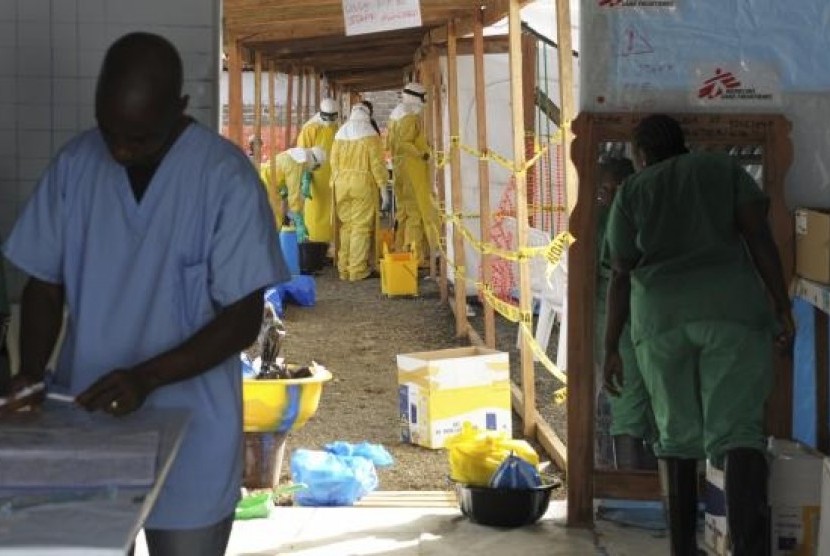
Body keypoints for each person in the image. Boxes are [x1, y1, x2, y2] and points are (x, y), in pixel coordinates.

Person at [2, 32, 289, 556]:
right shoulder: (76, 166)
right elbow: (43, 283)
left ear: (179, 108)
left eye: (138, 139)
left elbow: (243, 319)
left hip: (193, 433)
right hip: (85, 419)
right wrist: (30, 374)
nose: (119, 149)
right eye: (109, 131)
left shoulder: (224, 179)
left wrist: (145, 378)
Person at [603, 114, 794, 556]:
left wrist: (611, 345)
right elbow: (758, 237)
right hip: (731, 313)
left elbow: (619, 273)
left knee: (675, 434)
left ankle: (681, 549)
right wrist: (781, 305)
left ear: (642, 154)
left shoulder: (633, 190)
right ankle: (748, 548)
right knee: (740, 432)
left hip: (661, 322)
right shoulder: (720, 170)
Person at [595, 156, 657, 471]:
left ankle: (630, 487)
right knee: (644, 400)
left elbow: (603, 276)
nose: (605, 197)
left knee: (629, 400)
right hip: (646, 318)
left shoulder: (602, 218)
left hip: (618, 322)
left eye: (606, 190)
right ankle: (640, 486)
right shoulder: (653, 212)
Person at [330, 104, 388, 281]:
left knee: (346, 226)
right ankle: (357, 269)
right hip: (362, 183)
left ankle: (343, 268)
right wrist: (384, 189)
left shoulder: (340, 133)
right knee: (360, 227)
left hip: (340, 184)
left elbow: (333, 162)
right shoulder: (370, 133)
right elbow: (377, 165)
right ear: (368, 115)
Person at [386, 82, 438, 263]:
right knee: (415, 212)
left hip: (399, 168)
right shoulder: (409, 117)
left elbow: (393, 144)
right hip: (411, 169)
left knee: (404, 212)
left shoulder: (395, 115)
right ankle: (415, 256)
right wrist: (422, 154)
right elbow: (406, 143)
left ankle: (400, 249)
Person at [260, 146, 326, 243]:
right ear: (314, 162)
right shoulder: (296, 164)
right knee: (273, 223)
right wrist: (299, 222)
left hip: (263, 180)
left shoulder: (294, 155)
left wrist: (284, 188)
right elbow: (293, 198)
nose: (312, 170)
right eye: (316, 167)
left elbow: (281, 171)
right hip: (267, 186)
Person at [296, 98, 338, 244]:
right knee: (315, 211)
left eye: (333, 117)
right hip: (315, 176)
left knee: (331, 211)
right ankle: (313, 242)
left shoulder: (335, 127)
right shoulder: (310, 129)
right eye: (327, 117)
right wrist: (306, 177)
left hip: (332, 176)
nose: (329, 120)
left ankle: (329, 243)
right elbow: (302, 154)